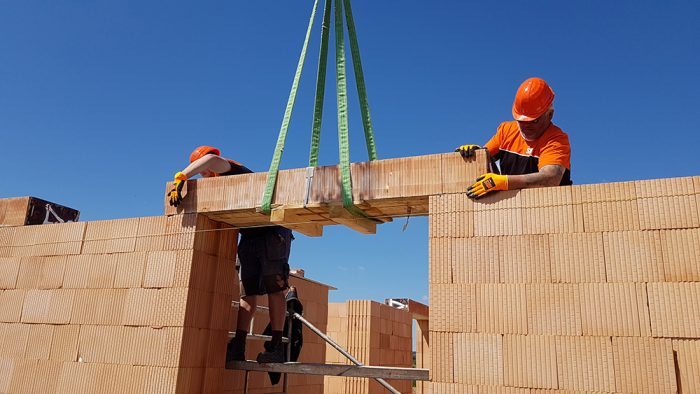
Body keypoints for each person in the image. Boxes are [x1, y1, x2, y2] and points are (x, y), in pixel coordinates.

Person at [168, 145, 294, 364]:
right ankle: (239, 345)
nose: (205, 176)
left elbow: (210, 161)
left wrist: (182, 177)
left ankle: (276, 347)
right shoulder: (221, 189)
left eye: (204, 173)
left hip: (272, 232)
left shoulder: (232, 169)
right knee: (248, 294)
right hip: (249, 237)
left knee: (275, 288)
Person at [456, 77, 572, 199]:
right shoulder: (506, 131)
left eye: (534, 120)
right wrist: (474, 154)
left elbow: (550, 178)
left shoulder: (556, 140)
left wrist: (505, 182)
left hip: (547, 208)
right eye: (521, 121)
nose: (526, 126)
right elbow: (485, 159)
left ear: (549, 115)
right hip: (513, 208)